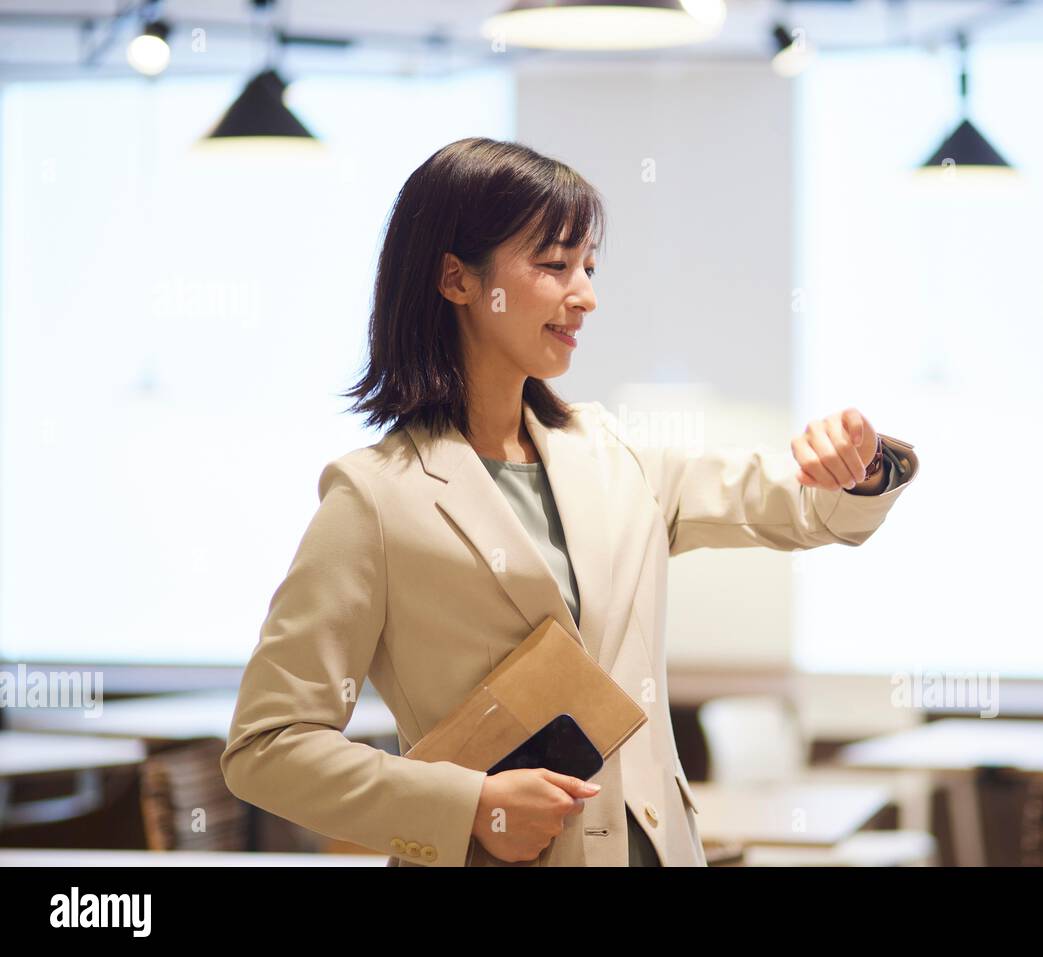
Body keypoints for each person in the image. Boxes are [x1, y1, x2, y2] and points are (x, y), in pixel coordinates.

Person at [220, 137, 920, 867]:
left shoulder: (614, 454)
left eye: (587, 266)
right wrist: (469, 806)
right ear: (456, 278)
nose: (585, 294)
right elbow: (268, 747)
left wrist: (859, 466)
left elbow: (796, 506)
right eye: (554, 265)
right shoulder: (373, 498)